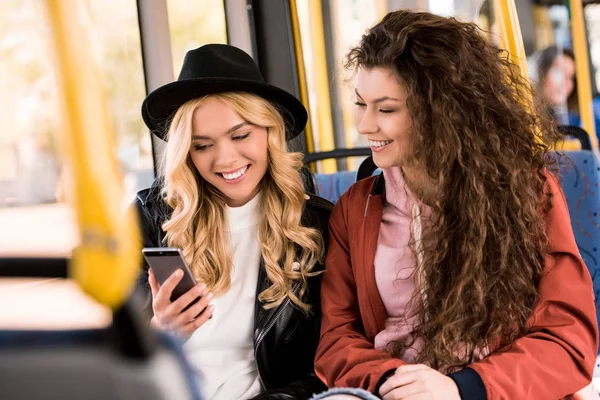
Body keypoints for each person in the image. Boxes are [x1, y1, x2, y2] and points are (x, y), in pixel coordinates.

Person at [313, 10, 599, 400]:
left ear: (441, 113)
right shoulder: (356, 209)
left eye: (386, 109)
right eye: (361, 104)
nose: (365, 125)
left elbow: (567, 338)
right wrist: (396, 382)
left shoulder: (527, 191)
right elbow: (337, 339)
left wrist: (461, 388)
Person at [133, 44, 331, 399]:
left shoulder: (318, 227)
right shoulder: (151, 219)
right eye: (202, 145)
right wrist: (160, 331)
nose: (225, 159)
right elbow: (115, 357)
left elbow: (327, 366)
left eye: (240, 136)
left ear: (270, 133)